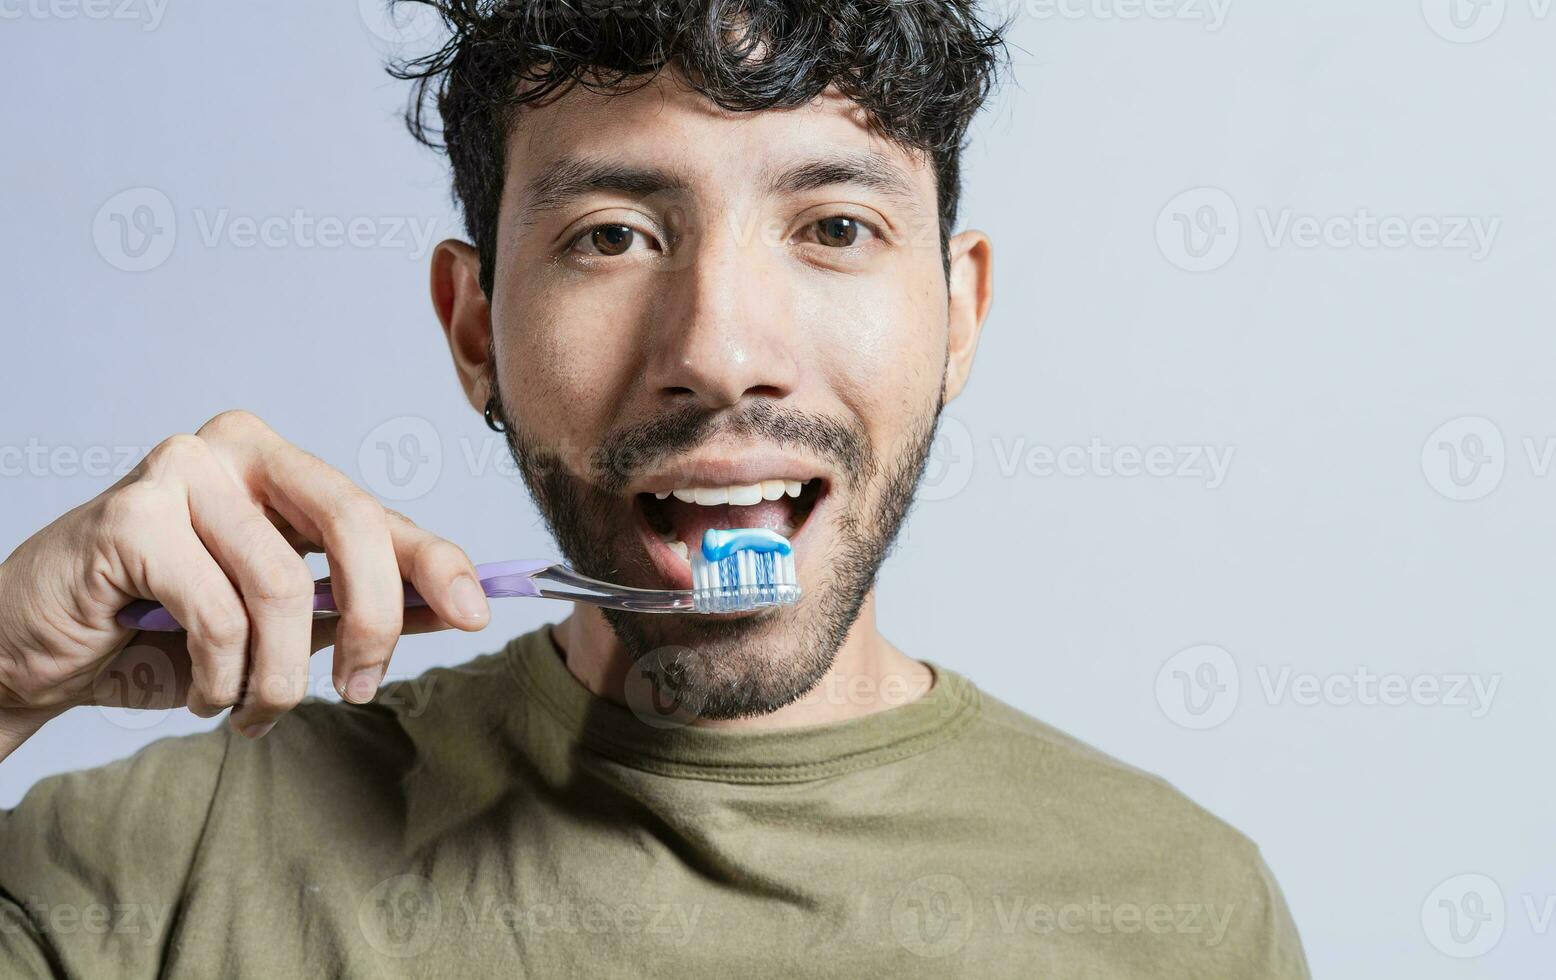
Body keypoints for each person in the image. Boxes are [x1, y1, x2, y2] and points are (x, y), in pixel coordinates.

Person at [0, 1, 1309, 975]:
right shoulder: (170, 869)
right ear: (474, 331)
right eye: (612, 235)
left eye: (834, 228)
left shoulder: (1182, 912)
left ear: (960, 314)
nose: (721, 353)